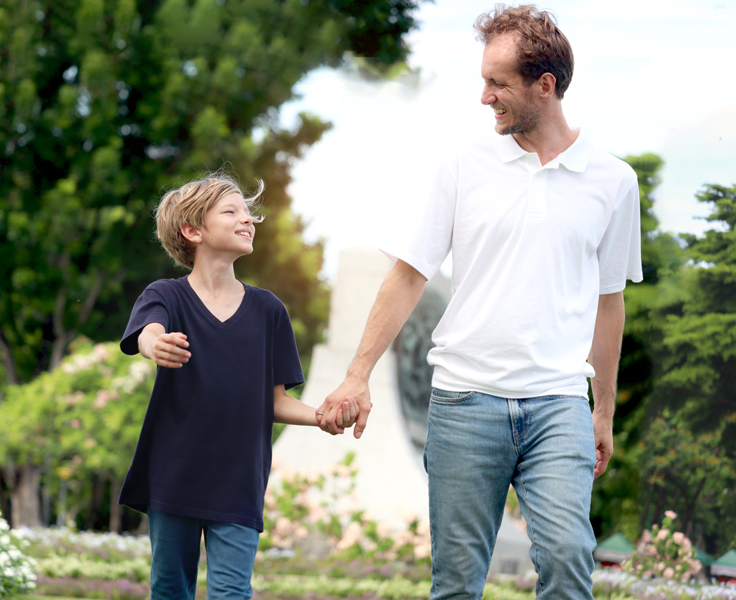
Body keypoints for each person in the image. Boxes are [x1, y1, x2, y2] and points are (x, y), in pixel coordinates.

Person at [316, 5, 642, 599]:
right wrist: (357, 374)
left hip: (558, 402)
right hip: (466, 401)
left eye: (498, 83)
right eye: (483, 80)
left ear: (545, 86)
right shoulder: (461, 163)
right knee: (457, 584)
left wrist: (603, 410)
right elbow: (409, 273)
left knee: (569, 559)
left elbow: (609, 302)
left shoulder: (614, 181)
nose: (484, 97)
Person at [118, 173, 358, 600]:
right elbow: (146, 334)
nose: (247, 220)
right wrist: (157, 345)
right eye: (231, 212)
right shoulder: (166, 296)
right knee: (170, 591)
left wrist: (321, 416)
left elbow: (276, 401)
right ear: (193, 231)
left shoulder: (269, 310)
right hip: (173, 477)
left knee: (233, 594)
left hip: (239, 483)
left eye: (249, 214)